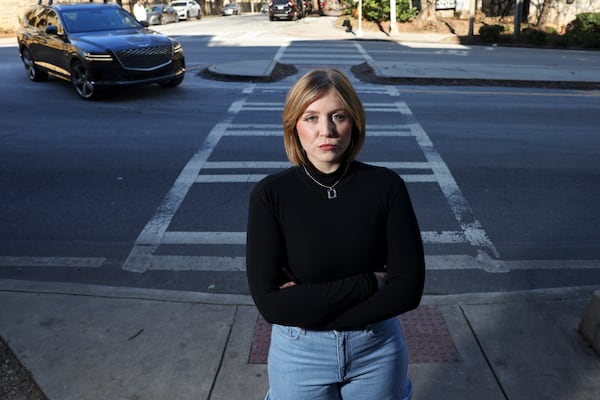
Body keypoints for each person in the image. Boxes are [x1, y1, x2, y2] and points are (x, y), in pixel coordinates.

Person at [246, 69, 426, 400]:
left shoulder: (386, 187)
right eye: (311, 117)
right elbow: (271, 304)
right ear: (294, 126)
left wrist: (306, 301)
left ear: (353, 121)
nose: (326, 131)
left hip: (376, 349)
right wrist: (371, 283)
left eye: (338, 116)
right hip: (299, 353)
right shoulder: (270, 195)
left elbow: (408, 290)